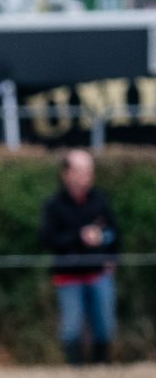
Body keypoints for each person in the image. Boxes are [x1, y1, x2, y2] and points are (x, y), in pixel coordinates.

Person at [42, 148, 121, 366]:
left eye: (89, 170)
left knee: (104, 326)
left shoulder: (100, 200)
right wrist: (79, 237)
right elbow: (47, 239)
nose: (86, 176)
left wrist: (110, 254)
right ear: (66, 174)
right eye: (80, 171)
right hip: (69, 276)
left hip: (98, 273)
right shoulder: (54, 205)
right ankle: (75, 371)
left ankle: (101, 368)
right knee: (72, 328)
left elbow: (114, 233)